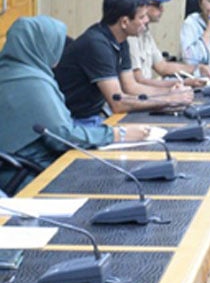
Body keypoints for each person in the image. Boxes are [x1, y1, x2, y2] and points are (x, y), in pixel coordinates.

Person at [0, 16, 149, 189]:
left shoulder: (10, 71)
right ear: (42, 45)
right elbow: (61, 137)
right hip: (32, 174)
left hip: (16, 168)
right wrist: (118, 135)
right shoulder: (32, 82)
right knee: (113, 183)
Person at [55, 0, 194, 126]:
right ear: (124, 22)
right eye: (142, 17)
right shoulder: (96, 44)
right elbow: (118, 103)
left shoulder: (121, 40)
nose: (147, 21)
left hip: (95, 116)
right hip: (74, 121)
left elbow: (131, 87)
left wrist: (169, 92)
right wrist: (168, 100)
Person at [129, 0, 210, 87]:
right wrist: (183, 83)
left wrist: (197, 68)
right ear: (141, 5)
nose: (162, 9)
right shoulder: (130, 35)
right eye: (157, 4)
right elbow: (138, 81)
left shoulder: (144, 31)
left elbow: (162, 67)